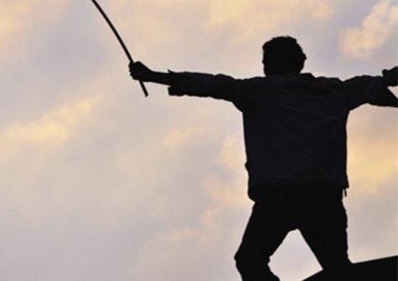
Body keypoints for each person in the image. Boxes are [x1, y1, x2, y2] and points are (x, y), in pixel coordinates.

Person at [128, 36, 397, 281]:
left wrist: (151, 76)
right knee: (337, 267)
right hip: (324, 194)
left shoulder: (258, 91)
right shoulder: (336, 91)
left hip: (280, 197)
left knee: (250, 261)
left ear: (269, 65)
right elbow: (377, 84)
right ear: (301, 62)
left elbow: (209, 83)